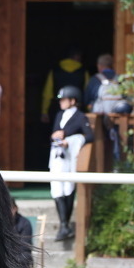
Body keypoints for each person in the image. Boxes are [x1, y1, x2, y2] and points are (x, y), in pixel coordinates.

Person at [49, 86, 94, 241]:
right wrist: (56, 135)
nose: (61, 102)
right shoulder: (59, 115)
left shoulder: (81, 117)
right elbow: (56, 132)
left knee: (68, 188)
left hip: (69, 158)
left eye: (64, 99)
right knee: (56, 188)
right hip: (57, 156)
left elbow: (88, 136)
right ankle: (64, 225)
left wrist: (69, 139)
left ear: (73, 101)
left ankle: (64, 225)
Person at [40, 46, 88, 123]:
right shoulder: (83, 72)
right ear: (77, 56)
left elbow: (47, 94)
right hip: (78, 110)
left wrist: (44, 112)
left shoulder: (55, 71)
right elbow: (87, 93)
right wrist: (88, 110)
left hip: (57, 109)